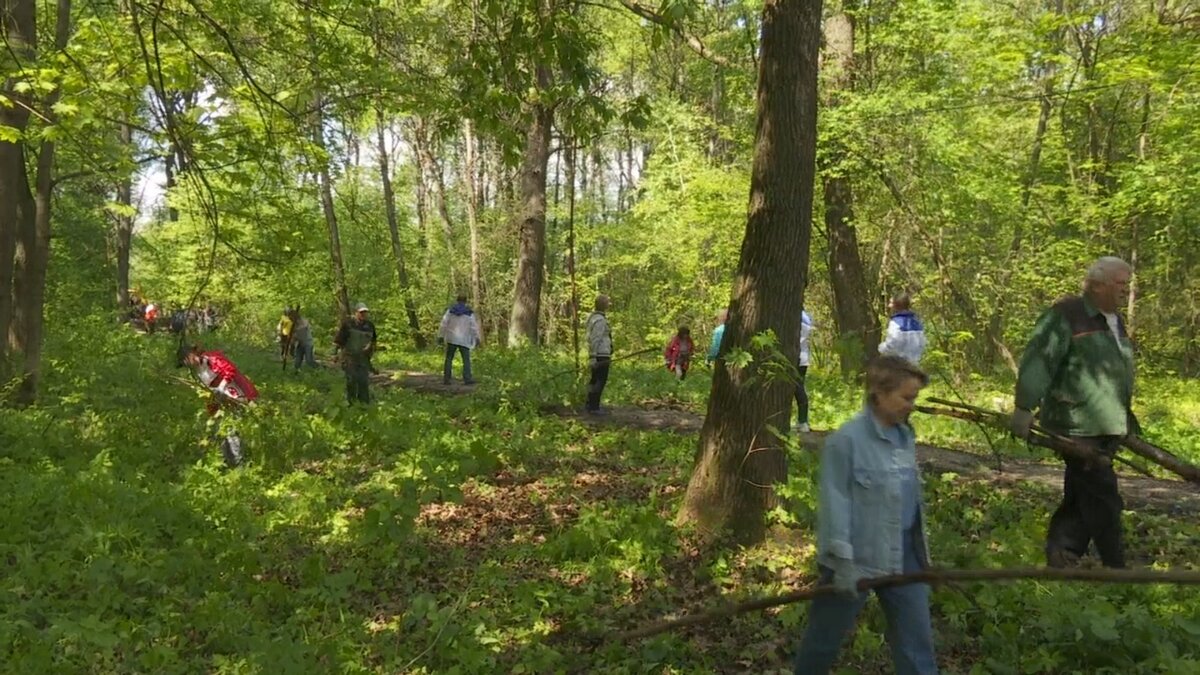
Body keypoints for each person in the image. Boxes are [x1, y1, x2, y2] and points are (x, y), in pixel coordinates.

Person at [793, 355, 936, 675]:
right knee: (823, 642)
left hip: (904, 558)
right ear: (879, 393)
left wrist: (921, 557)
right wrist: (842, 561)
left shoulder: (905, 436)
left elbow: (910, 500)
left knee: (917, 646)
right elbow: (835, 503)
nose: (911, 405)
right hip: (856, 557)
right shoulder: (846, 442)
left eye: (914, 398)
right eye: (906, 397)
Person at [1010, 256, 1135, 569]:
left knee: (1081, 496)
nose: (1125, 290)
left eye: (1127, 283)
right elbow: (1040, 359)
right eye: (1119, 283)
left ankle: (1061, 555)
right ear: (1095, 285)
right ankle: (1116, 569)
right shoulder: (1065, 315)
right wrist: (1024, 407)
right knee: (1104, 496)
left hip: (1106, 423)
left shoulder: (1115, 321)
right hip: (1076, 424)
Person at [181, 344, 259, 467]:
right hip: (222, 403)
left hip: (238, 396)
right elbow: (208, 391)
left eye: (186, 360)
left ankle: (240, 464)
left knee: (234, 430)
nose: (188, 364)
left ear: (191, 355)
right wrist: (212, 409)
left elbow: (230, 370)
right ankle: (228, 462)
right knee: (223, 431)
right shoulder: (198, 372)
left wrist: (221, 388)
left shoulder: (211, 359)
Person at [335, 302, 378, 404]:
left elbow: (373, 341)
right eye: (361, 312)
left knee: (363, 381)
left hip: (363, 359)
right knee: (351, 381)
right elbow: (339, 341)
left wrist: (370, 347)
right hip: (349, 357)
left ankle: (364, 405)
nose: (363, 315)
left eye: (365, 312)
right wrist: (335, 354)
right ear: (356, 313)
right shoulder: (348, 324)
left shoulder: (370, 326)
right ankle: (352, 404)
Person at [438, 294, 481, 385]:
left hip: (452, 338)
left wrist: (441, 336)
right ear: (465, 301)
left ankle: (447, 379)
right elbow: (473, 327)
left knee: (449, 358)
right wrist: (477, 338)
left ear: (457, 300)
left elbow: (444, 324)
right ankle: (467, 378)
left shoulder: (450, 311)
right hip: (464, 339)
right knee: (466, 359)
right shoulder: (469, 313)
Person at [879, 293, 928, 365]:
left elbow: (891, 345)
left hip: (899, 366)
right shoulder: (917, 323)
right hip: (914, 364)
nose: (889, 306)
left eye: (891, 303)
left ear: (897, 305)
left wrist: (881, 348)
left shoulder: (896, 323)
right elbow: (922, 343)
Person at [585, 295, 613, 415]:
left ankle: (590, 404)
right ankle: (594, 407)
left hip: (601, 353)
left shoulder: (594, 318)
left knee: (595, 379)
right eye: (607, 302)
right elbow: (595, 338)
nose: (609, 304)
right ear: (603, 304)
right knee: (599, 380)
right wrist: (593, 357)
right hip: (601, 355)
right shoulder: (600, 320)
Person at [795, 309, 814, 432]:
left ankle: (803, 422)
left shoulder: (795, 316)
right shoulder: (806, 317)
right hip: (803, 357)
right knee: (799, 388)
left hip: (797, 357)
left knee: (798, 388)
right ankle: (803, 421)